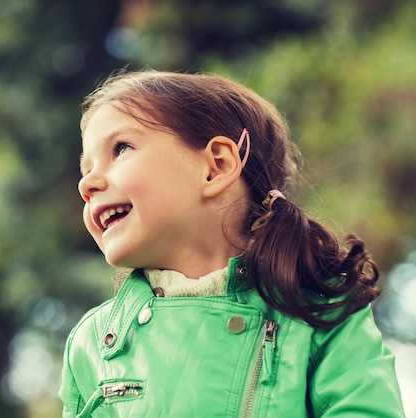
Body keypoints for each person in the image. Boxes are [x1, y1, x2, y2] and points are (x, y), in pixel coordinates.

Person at [59, 69, 405, 417]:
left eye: (121, 149)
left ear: (217, 166)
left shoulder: (319, 309)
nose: (86, 184)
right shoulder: (92, 344)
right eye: (86, 169)